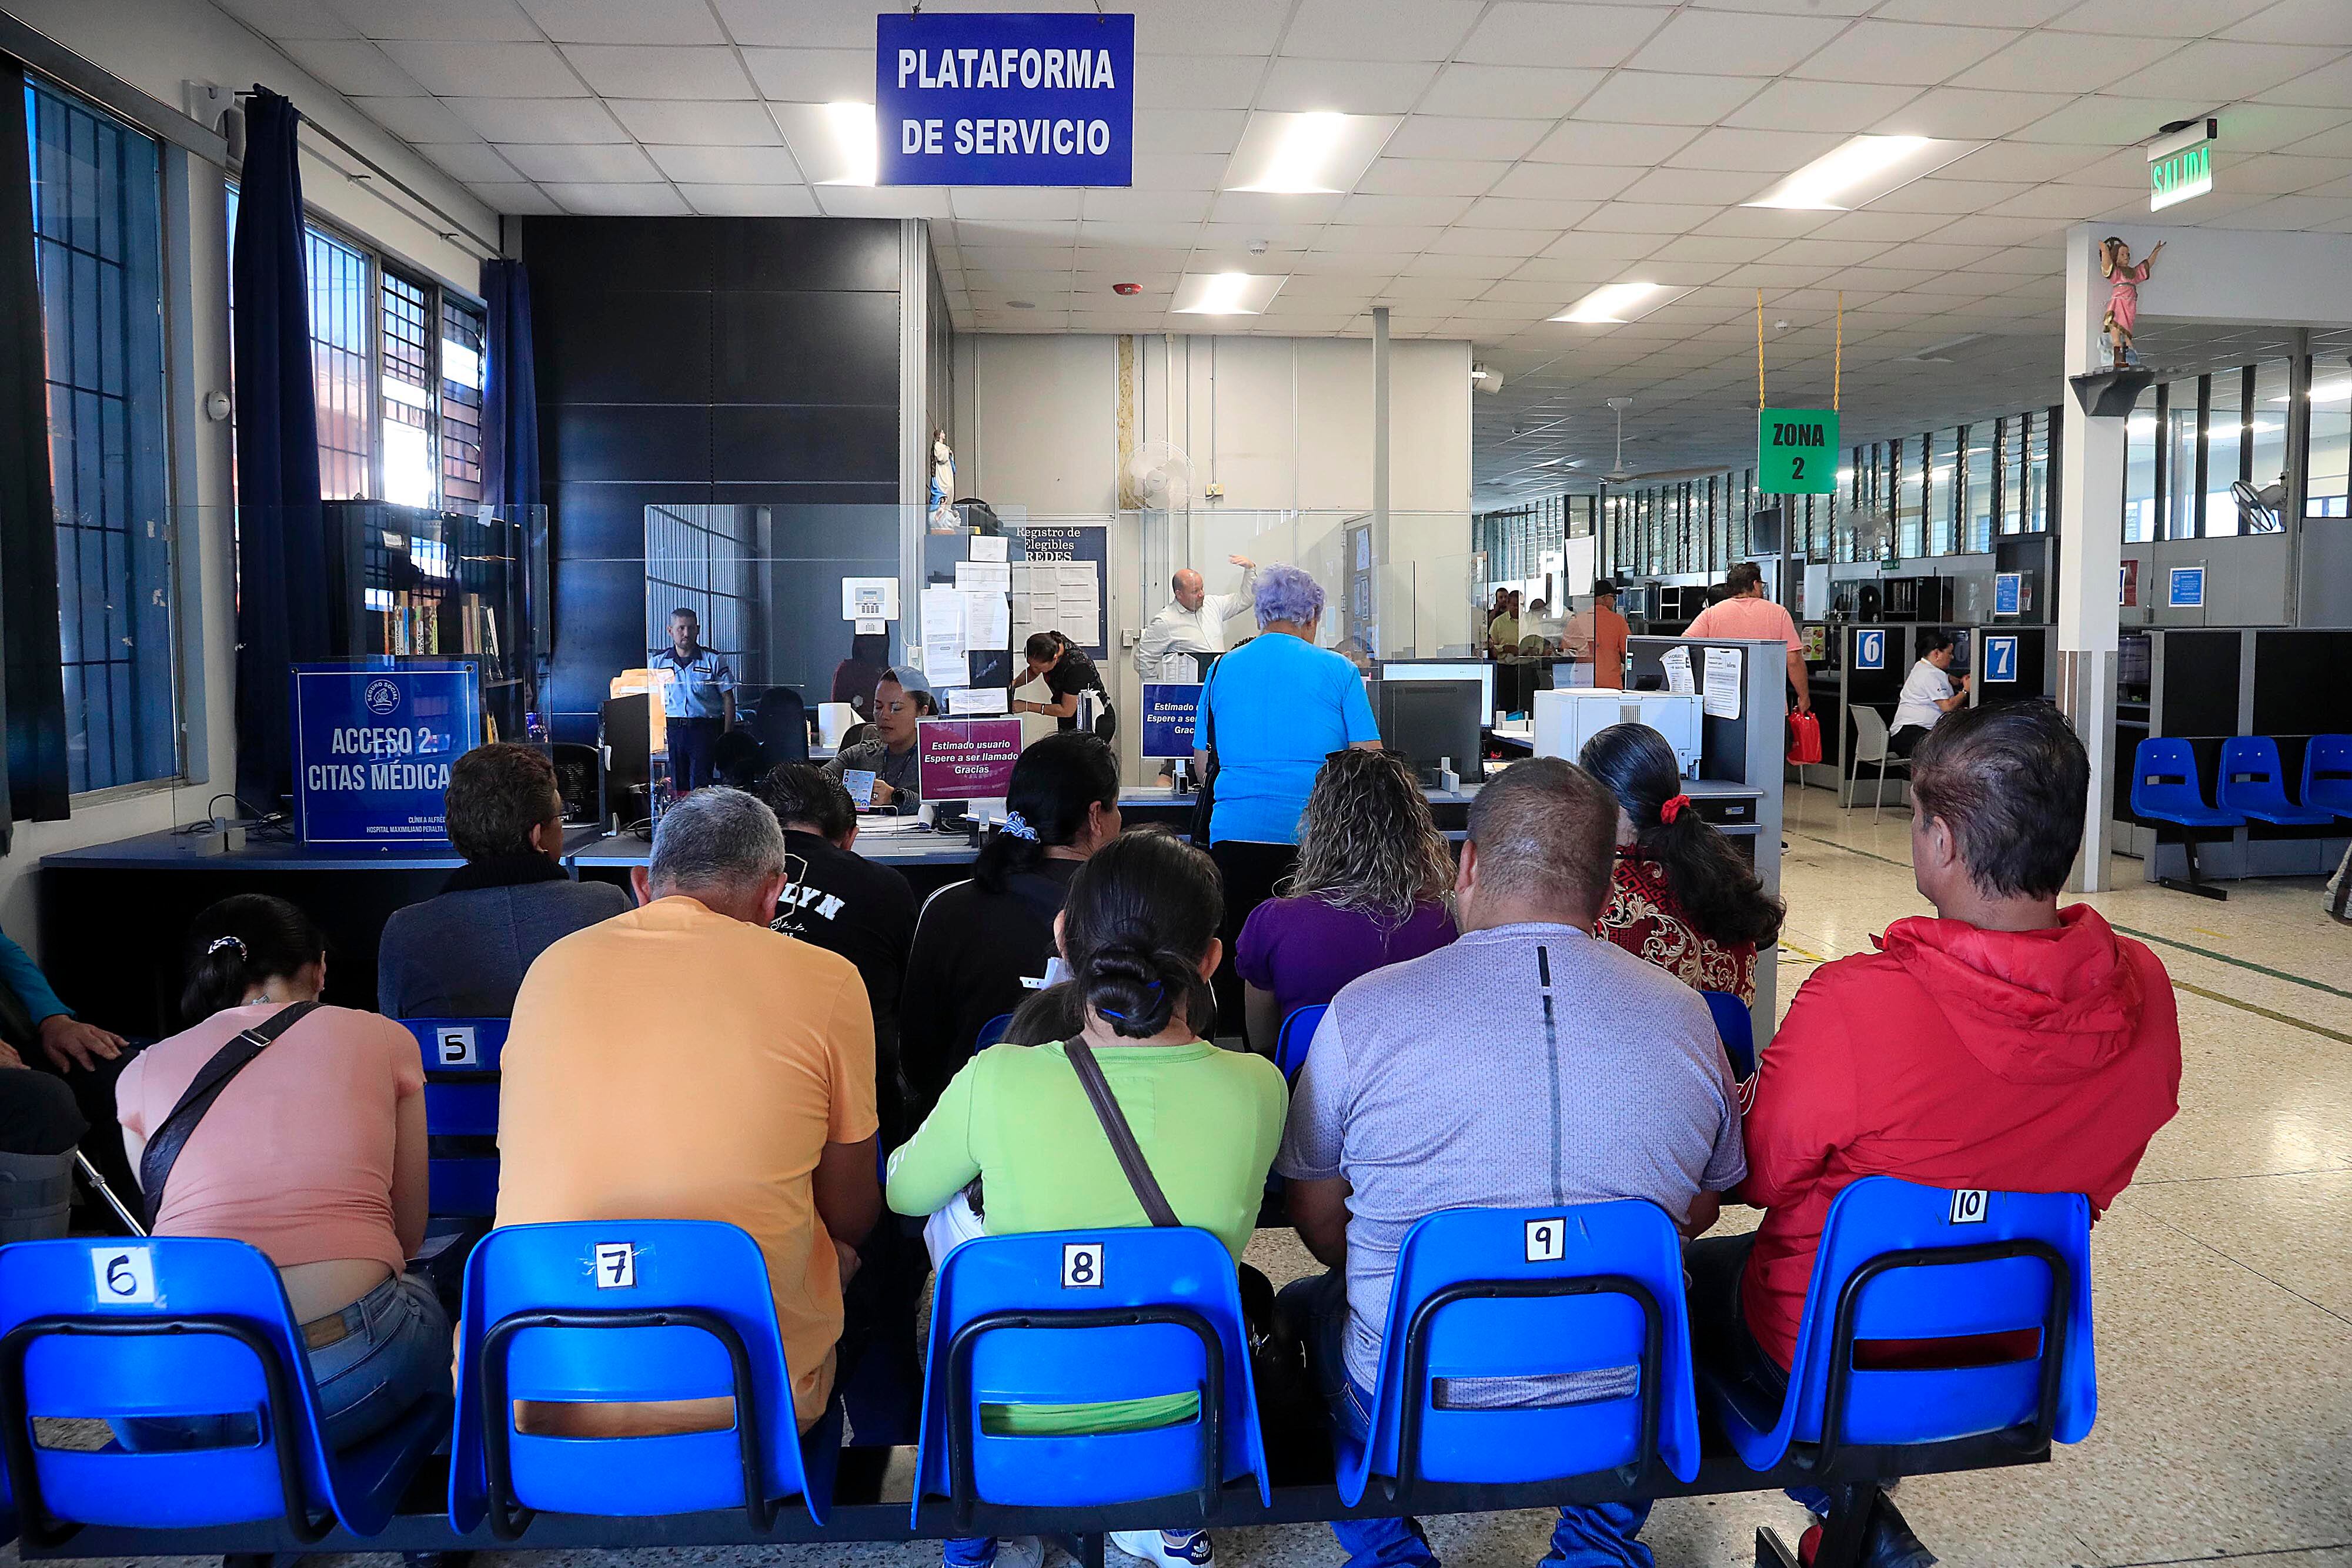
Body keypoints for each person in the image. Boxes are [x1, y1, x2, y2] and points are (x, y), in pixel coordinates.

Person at [1687, 702, 2181, 1567]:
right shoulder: (2143, 989)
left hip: (1824, 1356)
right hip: (2014, 1344)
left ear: (1944, 841)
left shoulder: (1860, 1000)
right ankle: (1855, 1524)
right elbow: (2103, 1169)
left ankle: (1631, 1526)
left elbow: (1758, 1170)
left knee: (1674, 1285)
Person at [1275, 757, 1745, 1568]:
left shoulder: (1362, 1012)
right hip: (1624, 1393)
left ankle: (1389, 1546)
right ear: (1605, 891)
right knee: (1669, 1310)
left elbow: (1318, 1219)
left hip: (1413, 1396)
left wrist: (1412, 1265)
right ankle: (1594, 1543)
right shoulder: (1688, 1017)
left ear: (1467, 864)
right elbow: (1700, 1209)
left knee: (1307, 1307)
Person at [888, 830, 1287, 1568]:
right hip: (1179, 1416)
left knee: (956, 1217)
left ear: (1064, 939)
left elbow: (903, 1193)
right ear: (1209, 960)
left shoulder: (998, 1076)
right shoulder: (1259, 1087)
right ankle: (1163, 1518)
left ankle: (986, 1523)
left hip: (1011, 1415)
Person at [496, 788, 880, 1436]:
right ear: (773, 894)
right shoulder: (828, 979)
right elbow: (851, 1208)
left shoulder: (548, 969)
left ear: (642, 883)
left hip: (536, 1394)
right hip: (752, 1408)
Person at [112, 895, 448, 1451]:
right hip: (344, 1376)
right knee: (430, 1301)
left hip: (172, 1400)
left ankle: (252, 1487)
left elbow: (164, 1239)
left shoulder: (141, 1071)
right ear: (319, 967)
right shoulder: (383, 1038)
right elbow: (407, 1234)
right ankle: (417, 1505)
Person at [898, 732, 1122, 1126]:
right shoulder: (1130, 912)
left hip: (969, 1140)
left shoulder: (946, 909)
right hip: (1106, 1139)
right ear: (1095, 817)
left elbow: (917, 1061)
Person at [1195, 564, 1381, 1031]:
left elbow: (1203, 763)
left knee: (1242, 953)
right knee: (1315, 951)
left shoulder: (1220, 669)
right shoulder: (1338, 669)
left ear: (1259, 616)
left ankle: (1245, 1052)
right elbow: (1369, 762)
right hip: (1320, 843)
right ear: (1313, 616)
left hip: (1235, 839)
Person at [377, 743, 631, 1018]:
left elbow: (396, 1038)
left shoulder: (406, 932)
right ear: (536, 836)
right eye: (559, 817)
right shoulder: (606, 908)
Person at [1237, 749, 1455, 1052]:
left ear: (1318, 827)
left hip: (1304, 1095)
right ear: (1414, 830)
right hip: (1412, 1094)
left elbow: (1264, 1047)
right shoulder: (1441, 923)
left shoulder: (1272, 924)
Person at [756, 762, 921, 1144]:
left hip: (743, 1101)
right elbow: (907, 1003)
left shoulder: (725, 882)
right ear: (850, 838)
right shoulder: (887, 888)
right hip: (859, 1104)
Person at [1580, 723, 1783, 1006]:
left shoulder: (1602, 896)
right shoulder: (1719, 871)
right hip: (1720, 1047)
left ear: (1603, 801)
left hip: (1640, 1045)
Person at [1685, 563, 1810, 716]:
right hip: (1768, 701)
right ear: (1755, 584)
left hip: (1723, 702)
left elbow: (1685, 646)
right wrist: (1803, 696)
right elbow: (1793, 660)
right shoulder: (1778, 613)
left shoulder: (1712, 614)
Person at [826, 670, 936, 815]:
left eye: (896, 708)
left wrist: (895, 797)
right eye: (878, 707)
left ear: (922, 713)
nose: (884, 715)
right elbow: (814, 783)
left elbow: (948, 806)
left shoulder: (937, 758)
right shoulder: (862, 754)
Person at [1135, 554, 1258, 682]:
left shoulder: (1213, 605)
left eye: (1202, 588)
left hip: (1217, 684)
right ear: (1179, 594)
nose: (1201, 594)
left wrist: (1250, 570)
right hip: (1189, 694)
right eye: (1195, 591)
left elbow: (1244, 600)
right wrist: (1160, 687)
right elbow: (1142, 659)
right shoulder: (1165, 621)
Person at [653, 607, 736, 793]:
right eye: (681, 628)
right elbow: (651, 700)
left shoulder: (713, 660)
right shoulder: (658, 663)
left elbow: (728, 698)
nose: (686, 633)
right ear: (670, 631)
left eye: (691, 628)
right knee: (677, 785)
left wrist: (728, 736)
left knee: (701, 786)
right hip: (673, 731)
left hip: (704, 730)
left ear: (698, 629)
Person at [1887, 629, 1967, 758]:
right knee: (1954, 752)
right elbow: (1947, 707)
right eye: (1950, 653)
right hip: (1913, 734)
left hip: (1904, 734)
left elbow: (1942, 682)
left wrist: (1955, 681)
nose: (1952, 657)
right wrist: (1965, 691)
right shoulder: (1930, 674)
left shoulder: (1922, 667)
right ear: (1937, 654)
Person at [1011, 630, 1108, 734]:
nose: (1034, 669)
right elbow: (1032, 672)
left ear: (1055, 659)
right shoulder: (1052, 644)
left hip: (1094, 720)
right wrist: (1013, 685)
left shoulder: (1077, 667)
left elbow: (1066, 710)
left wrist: (1026, 706)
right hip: (1069, 719)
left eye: (1037, 667)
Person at [1561, 581, 1630, 690]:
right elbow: (1627, 653)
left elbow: (1566, 652)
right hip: (1610, 683)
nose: (1614, 601)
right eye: (1613, 597)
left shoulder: (1577, 621)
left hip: (1582, 682)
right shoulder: (1618, 621)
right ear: (1604, 598)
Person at [833, 631, 893, 721]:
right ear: (859, 641)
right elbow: (838, 711)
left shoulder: (888, 674)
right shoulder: (847, 670)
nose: (874, 642)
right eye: (869, 637)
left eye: (880, 637)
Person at [1485, 589, 1521, 656]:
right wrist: (1505, 648)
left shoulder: (1530, 620)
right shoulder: (1497, 621)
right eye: (1501, 598)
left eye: (1505, 597)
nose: (1504, 600)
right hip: (1505, 662)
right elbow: (1492, 647)